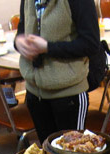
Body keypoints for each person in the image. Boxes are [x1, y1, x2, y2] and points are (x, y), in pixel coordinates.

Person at [14, 0, 100, 143]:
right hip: (35, 93)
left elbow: (91, 44)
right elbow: (22, 29)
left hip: (69, 94)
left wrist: (48, 47)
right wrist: (18, 42)